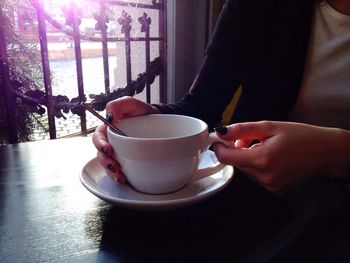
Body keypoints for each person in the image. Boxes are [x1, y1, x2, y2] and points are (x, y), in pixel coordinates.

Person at [92, 0, 350, 261]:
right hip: (259, 203)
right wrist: (150, 121)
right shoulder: (256, 7)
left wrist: (337, 152)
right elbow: (202, 105)